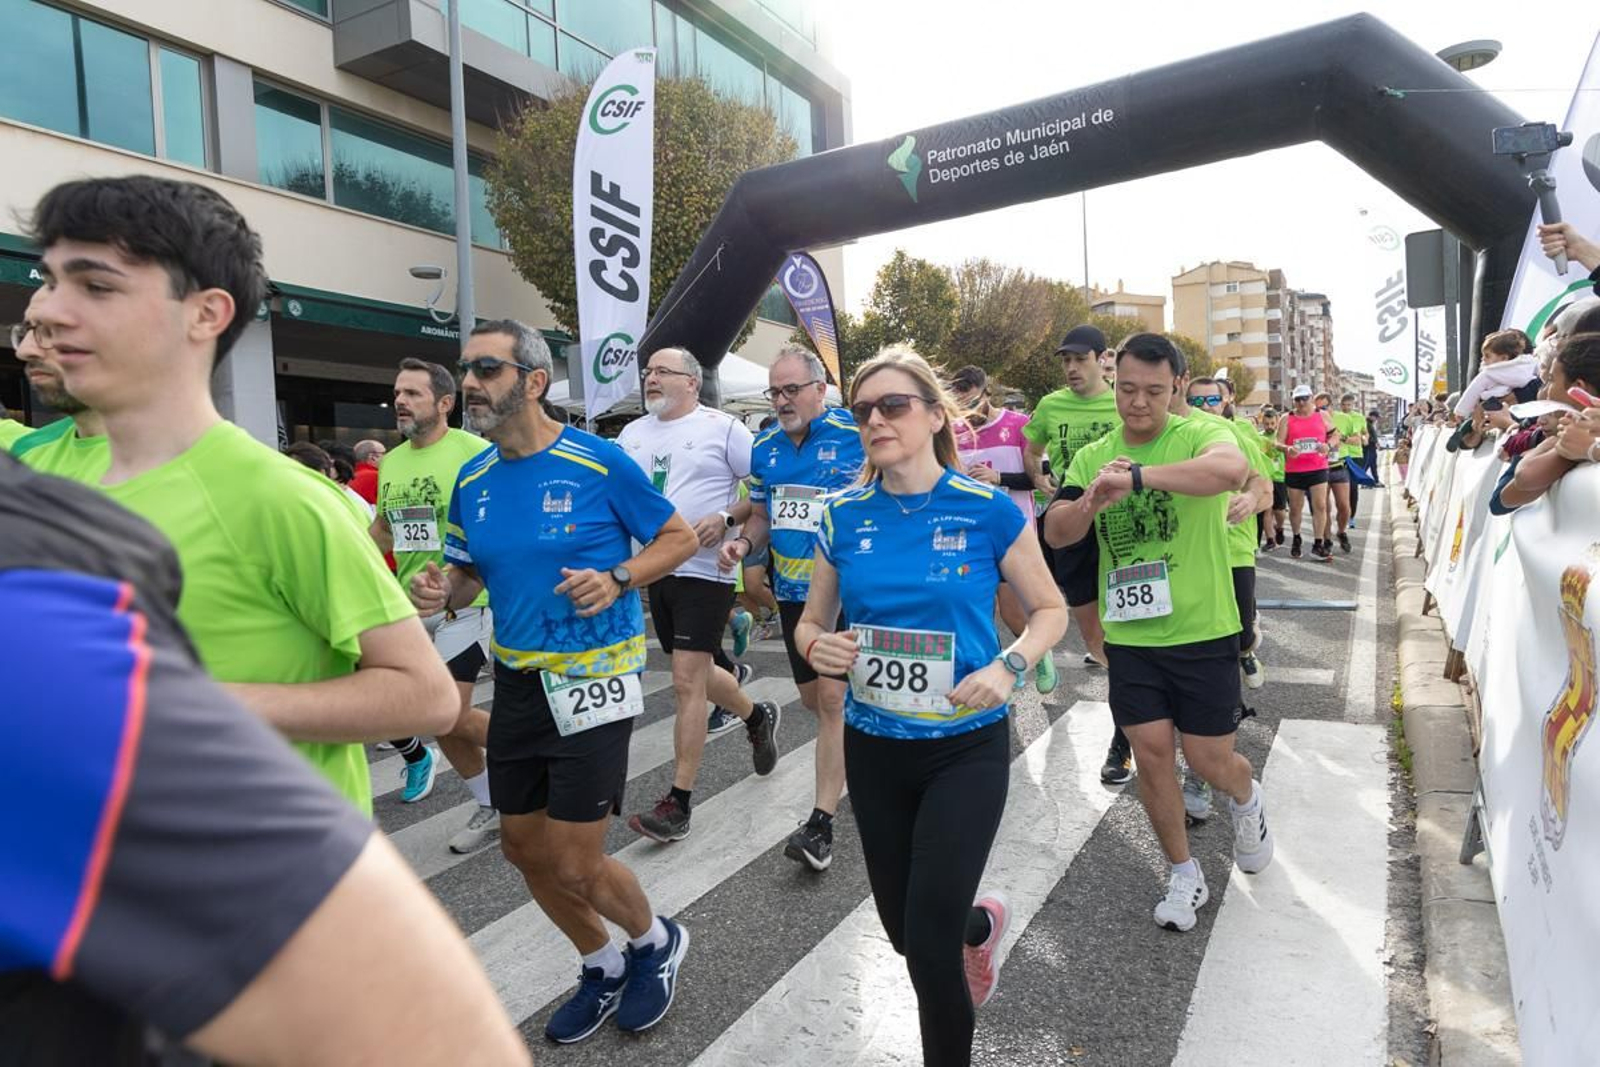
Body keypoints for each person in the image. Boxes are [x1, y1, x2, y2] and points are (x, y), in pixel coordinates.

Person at [0, 453, 531, 1067]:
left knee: (459, 719)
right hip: (424, 606)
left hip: (472, 627)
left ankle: (521, 766)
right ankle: (492, 792)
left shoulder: (300, 492)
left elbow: (421, 692)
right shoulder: (46, 462)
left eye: (482, 371)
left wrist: (192, 706)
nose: (32, 348)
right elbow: (385, 530)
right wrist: (394, 563)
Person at [27, 174, 457, 813]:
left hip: (262, 889)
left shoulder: (280, 497)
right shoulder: (31, 473)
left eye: (95, 286)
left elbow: (426, 697)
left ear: (205, 313)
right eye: (50, 281)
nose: (49, 313)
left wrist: (184, 706)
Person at [415, 319, 699, 1043]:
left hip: (592, 682)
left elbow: (678, 538)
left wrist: (618, 577)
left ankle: (654, 941)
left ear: (533, 381)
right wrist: (438, 590)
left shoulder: (599, 463)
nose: (470, 382)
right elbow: (467, 574)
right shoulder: (472, 477)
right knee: (521, 846)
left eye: (487, 368)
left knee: (575, 856)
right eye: (466, 369)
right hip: (517, 681)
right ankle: (601, 961)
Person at [797, 346, 1067, 1067]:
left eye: (893, 405)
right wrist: (817, 645)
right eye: (863, 411)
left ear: (933, 415)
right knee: (909, 932)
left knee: (926, 956)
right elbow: (809, 621)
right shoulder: (842, 515)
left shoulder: (983, 509)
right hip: (876, 748)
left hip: (965, 749)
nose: (875, 420)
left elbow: (1048, 610)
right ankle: (978, 928)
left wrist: (1009, 668)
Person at [1045, 333, 1272, 932]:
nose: (1138, 403)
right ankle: (1182, 873)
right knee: (1150, 757)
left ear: (1176, 385)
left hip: (1203, 629)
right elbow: (1057, 532)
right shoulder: (1094, 453)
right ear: (1113, 382)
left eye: (1152, 391)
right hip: (1133, 637)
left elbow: (1230, 470)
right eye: (1127, 390)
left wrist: (1141, 479)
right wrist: (1091, 501)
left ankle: (1246, 798)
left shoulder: (1198, 434)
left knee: (1210, 759)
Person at [616, 345, 782, 843]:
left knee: (687, 680)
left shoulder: (724, 428)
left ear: (691, 381)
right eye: (647, 373)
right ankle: (757, 715)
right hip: (652, 568)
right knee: (699, 671)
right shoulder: (630, 435)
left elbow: (763, 490)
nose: (651, 379)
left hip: (706, 569)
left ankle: (678, 803)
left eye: (662, 372)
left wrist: (726, 519)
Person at [718, 345, 863, 871]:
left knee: (831, 704)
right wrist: (742, 543)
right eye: (774, 392)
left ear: (819, 390)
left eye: (791, 390)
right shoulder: (766, 449)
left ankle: (820, 824)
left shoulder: (857, 436)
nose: (781, 400)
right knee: (815, 702)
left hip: (852, 594)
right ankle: (858, 750)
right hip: (795, 597)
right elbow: (761, 516)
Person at [371, 358, 505, 844]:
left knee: (448, 710)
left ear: (445, 404)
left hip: (470, 600)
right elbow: (386, 530)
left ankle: (538, 754)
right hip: (412, 609)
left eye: (412, 394)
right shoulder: (392, 460)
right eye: (397, 393)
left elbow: (499, 524)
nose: (400, 402)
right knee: (439, 718)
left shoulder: (477, 453)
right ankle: (493, 803)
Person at [1022, 324, 1134, 785]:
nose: (1070, 368)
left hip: (1126, 527)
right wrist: (1040, 482)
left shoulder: (1124, 399)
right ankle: (1136, 697)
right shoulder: (1051, 405)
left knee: (1131, 634)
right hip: (1075, 523)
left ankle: (1125, 735)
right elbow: (1032, 449)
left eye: (1079, 359)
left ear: (1101, 359)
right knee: (1095, 641)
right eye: (1064, 360)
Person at [951, 362, 1057, 693]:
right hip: (968, 536)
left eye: (971, 402)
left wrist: (998, 478)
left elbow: (1041, 479)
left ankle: (1040, 654)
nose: (967, 412)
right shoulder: (953, 433)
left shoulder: (1020, 425)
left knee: (1012, 611)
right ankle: (1001, 671)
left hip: (1014, 535)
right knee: (980, 611)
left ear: (986, 394)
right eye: (959, 404)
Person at [1494, 331, 1600, 512]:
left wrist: (1587, 448)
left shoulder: (1582, 437)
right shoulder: (1574, 434)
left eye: (1550, 380)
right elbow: (1503, 499)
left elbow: (1525, 476)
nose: (1546, 392)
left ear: (1578, 389)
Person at [11, 292, 110, 483]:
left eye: (52, 330)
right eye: (26, 331)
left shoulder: (181, 459)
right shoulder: (28, 453)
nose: (24, 350)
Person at [1278, 385, 1336, 561]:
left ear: (1311, 398)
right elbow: (1278, 442)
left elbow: (1335, 436)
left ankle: (1318, 543)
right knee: (1295, 508)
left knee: (1320, 505)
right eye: (1298, 399)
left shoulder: (1322, 415)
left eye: (1305, 398)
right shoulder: (1286, 419)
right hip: (1295, 469)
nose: (1302, 402)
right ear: (1293, 400)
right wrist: (1287, 448)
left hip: (1318, 467)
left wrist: (1328, 445)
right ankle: (1296, 538)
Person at [1256, 407, 1288, 550]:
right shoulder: (1259, 437)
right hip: (1265, 478)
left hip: (1280, 477)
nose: (1269, 427)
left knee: (1279, 510)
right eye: (1266, 424)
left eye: (1272, 424)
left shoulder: (1280, 437)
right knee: (1266, 510)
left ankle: (1279, 527)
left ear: (1276, 423)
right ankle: (1270, 540)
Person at [350, 437, 385, 504]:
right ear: (373, 457)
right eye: (384, 453)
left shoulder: (348, 477)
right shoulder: (377, 477)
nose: (387, 456)